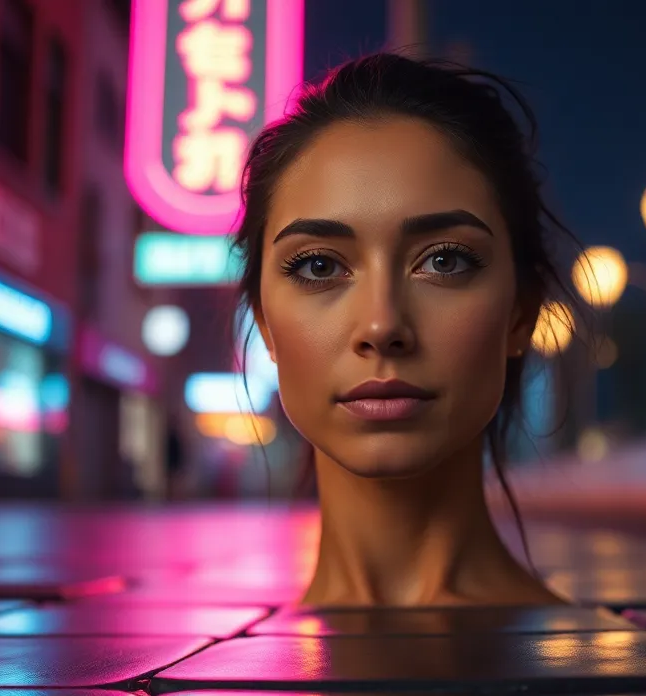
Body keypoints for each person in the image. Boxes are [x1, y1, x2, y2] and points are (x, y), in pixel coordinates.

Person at [235, 53, 579, 607]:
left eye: (444, 261)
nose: (382, 325)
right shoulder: (214, 660)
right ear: (264, 322)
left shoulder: (615, 655)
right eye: (319, 266)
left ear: (521, 312)